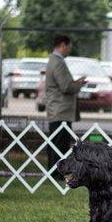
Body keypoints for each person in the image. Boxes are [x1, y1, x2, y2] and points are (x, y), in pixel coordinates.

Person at [46, 35, 86, 179]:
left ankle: (54, 171)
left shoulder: (53, 60)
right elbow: (65, 87)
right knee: (59, 143)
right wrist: (78, 84)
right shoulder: (58, 62)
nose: (69, 49)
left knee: (56, 141)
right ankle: (56, 172)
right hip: (60, 110)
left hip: (57, 109)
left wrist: (74, 83)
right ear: (63, 45)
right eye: (69, 46)